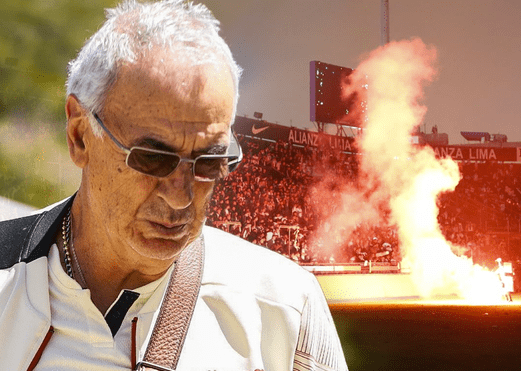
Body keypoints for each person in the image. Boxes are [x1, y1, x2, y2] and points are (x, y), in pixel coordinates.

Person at [0, 1, 348, 370]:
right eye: (153, 158)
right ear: (80, 136)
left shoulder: (284, 310)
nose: (181, 197)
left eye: (209, 162)